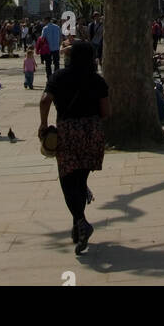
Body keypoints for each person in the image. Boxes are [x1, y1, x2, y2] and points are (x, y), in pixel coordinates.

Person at [39, 40, 110, 254]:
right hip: (92, 132)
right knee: (79, 179)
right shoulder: (98, 80)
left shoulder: (59, 77)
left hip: (68, 132)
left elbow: (44, 101)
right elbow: (106, 112)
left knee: (67, 180)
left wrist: (43, 124)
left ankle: (81, 222)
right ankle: (77, 226)